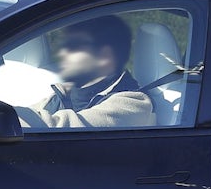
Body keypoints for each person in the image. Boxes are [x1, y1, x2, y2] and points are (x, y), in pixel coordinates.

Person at [20, 15, 154, 128]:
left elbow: (64, 129)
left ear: (104, 56)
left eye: (73, 46)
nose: (62, 53)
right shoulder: (63, 94)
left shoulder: (133, 105)